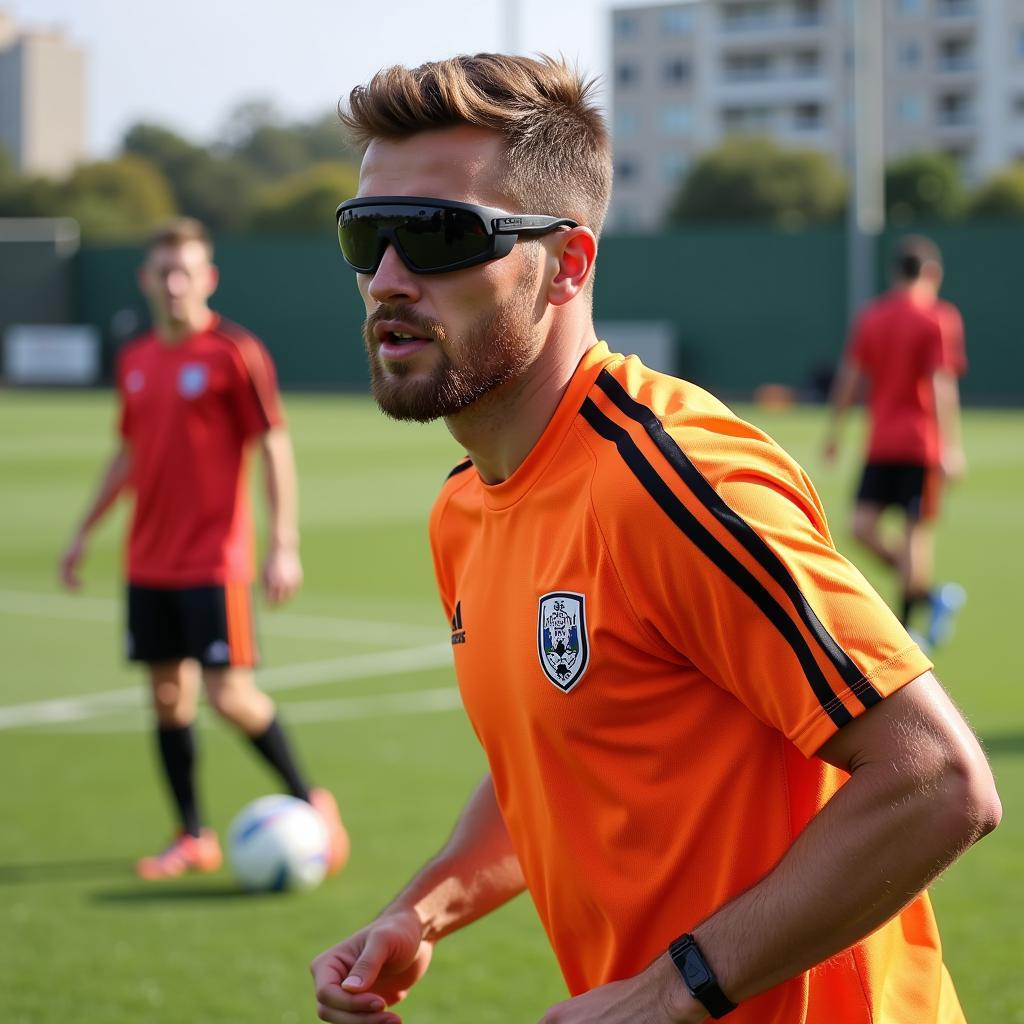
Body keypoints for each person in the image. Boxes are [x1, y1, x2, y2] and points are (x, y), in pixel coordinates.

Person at [311, 55, 1000, 1024]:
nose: (387, 278)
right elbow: (560, 759)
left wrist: (669, 991)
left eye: (436, 236)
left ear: (570, 264)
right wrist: (420, 912)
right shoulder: (463, 508)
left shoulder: (675, 479)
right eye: (367, 234)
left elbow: (937, 781)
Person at [59, 217, 348, 880]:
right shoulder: (135, 360)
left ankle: (312, 801)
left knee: (229, 695)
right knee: (167, 698)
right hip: (147, 561)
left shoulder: (233, 353)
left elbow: (273, 441)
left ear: (208, 278)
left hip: (213, 561)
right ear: (147, 280)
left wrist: (283, 541)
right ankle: (192, 835)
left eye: (186, 270)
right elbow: (128, 453)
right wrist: (83, 532)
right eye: (163, 271)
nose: (174, 282)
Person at [824, 236, 968, 649]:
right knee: (881, 533)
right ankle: (929, 596)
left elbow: (848, 381)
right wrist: (951, 447)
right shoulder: (937, 316)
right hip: (907, 444)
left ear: (894, 273)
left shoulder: (873, 316)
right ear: (932, 274)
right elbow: (943, 385)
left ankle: (909, 631)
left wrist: (834, 433)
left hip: (908, 444)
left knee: (877, 531)